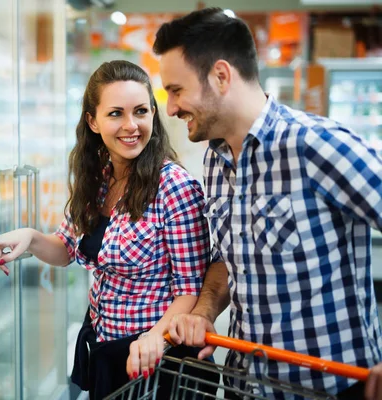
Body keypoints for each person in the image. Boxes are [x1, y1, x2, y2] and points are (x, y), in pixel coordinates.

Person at [129, 7, 382, 399]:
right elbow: (228, 259)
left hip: (329, 387)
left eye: (176, 90)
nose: (172, 107)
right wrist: (204, 312)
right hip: (245, 383)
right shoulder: (214, 159)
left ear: (221, 76)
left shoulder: (315, 146)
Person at [0, 60, 218, 399]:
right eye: (116, 113)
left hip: (153, 357)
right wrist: (30, 237)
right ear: (93, 121)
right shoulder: (99, 178)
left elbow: (188, 289)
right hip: (103, 344)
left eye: (141, 111)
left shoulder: (174, 186)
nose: (131, 125)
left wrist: (156, 337)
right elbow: (66, 249)